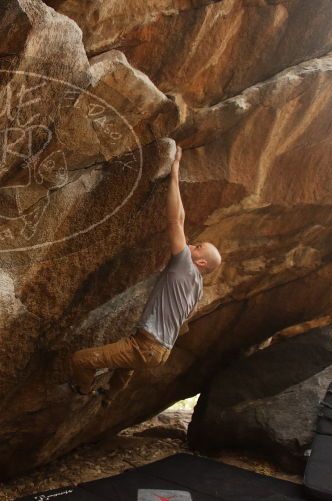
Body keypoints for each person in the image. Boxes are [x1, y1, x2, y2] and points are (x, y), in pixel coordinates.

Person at [68, 145, 221, 395]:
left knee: (81, 360)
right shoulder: (197, 287)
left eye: (198, 246)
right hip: (161, 351)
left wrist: (175, 171)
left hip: (146, 346)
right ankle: (109, 395)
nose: (192, 244)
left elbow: (177, 219)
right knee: (127, 364)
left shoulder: (185, 264)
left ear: (201, 262)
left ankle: (80, 392)